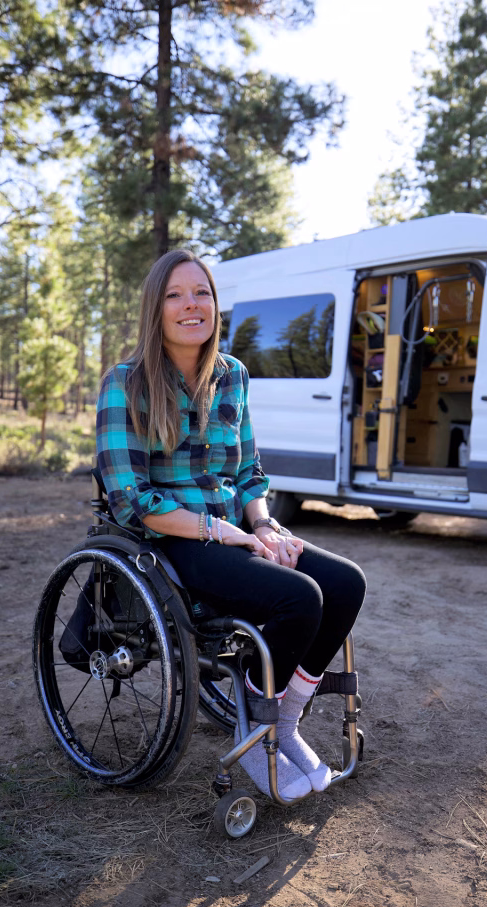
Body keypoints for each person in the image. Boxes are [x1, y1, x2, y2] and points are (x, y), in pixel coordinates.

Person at [97, 249, 366, 801]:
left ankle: (282, 722)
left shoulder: (232, 374)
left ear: (216, 305)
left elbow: (248, 471)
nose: (191, 304)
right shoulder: (126, 382)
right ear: (155, 307)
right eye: (175, 294)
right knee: (301, 599)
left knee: (345, 583)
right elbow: (131, 499)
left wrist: (264, 526)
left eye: (202, 293)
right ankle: (255, 718)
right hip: (169, 540)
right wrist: (224, 533)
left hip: (235, 531)